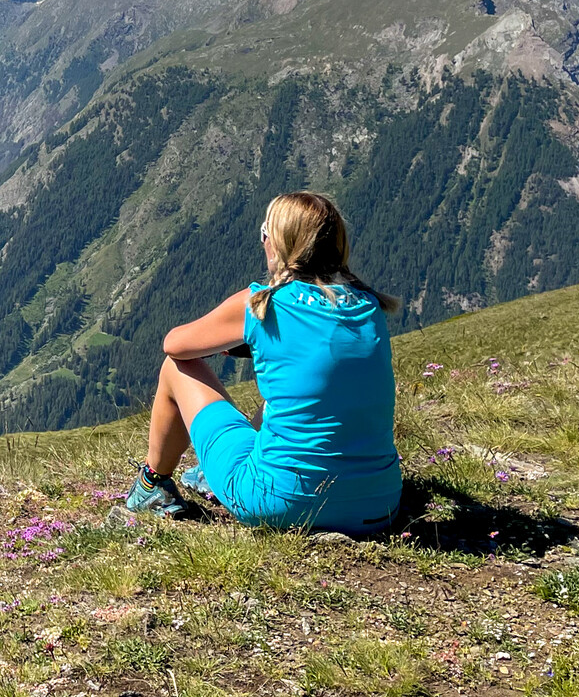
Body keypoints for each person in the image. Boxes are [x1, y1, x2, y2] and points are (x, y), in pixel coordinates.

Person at [123, 191, 402, 534]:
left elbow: (176, 345)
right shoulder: (369, 306)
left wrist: (244, 336)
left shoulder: (263, 304)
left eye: (264, 233)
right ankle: (214, 475)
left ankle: (153, 486)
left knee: (176, 368)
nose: (263, 242)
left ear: (281, 244)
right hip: (379, 506)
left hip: (277, 503)